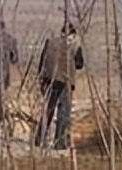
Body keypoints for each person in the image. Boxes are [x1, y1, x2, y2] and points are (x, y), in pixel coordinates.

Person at [35, 22, 84, 150]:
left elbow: (42, 61)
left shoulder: (50, 42)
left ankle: (39, 139)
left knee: (48, 109)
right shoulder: (75, 44)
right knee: (64, 111)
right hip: (64, 81)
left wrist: (41, 79)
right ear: (73, 34)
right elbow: (80, 64)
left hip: (48, 79)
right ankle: (60, 142)